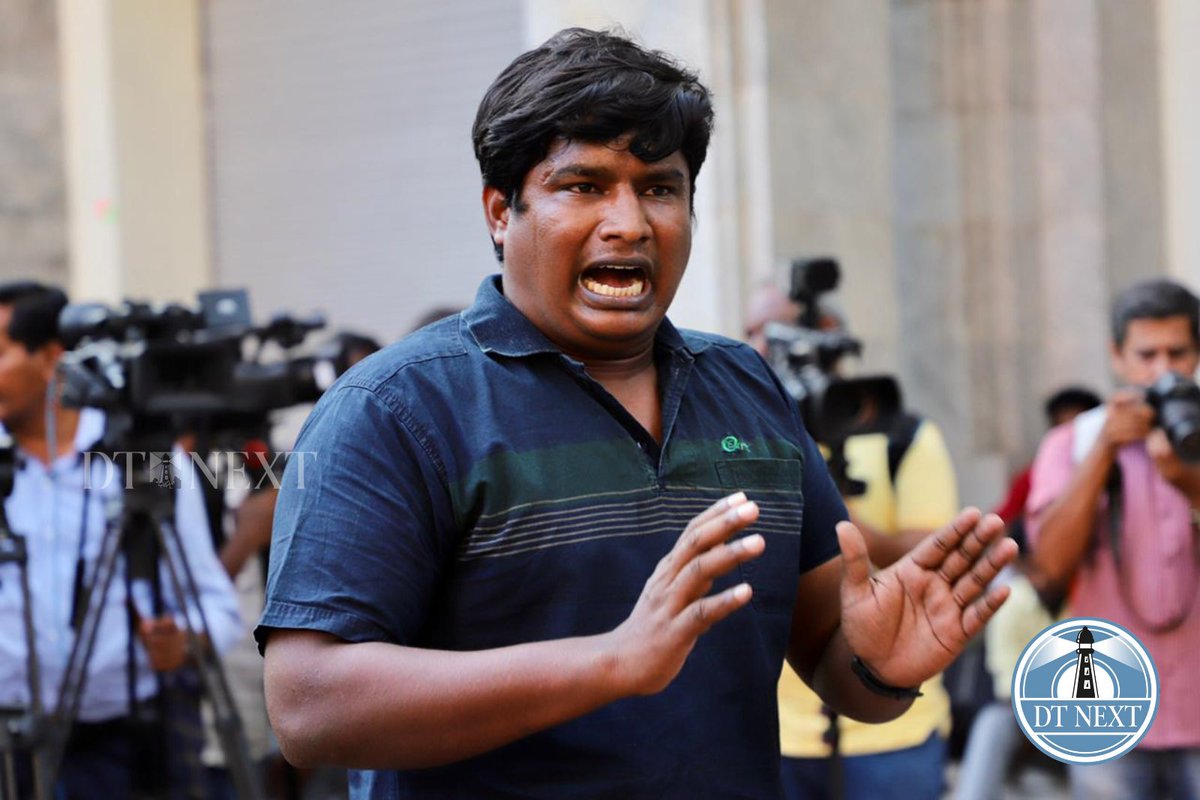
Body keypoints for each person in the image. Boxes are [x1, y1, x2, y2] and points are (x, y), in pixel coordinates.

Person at [259, 28, 1016, 799]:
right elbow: (309, 706)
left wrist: (880, 667)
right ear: (500, 211)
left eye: (659, 188)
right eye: (584, 185)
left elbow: (830, 657)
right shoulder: (394, 409)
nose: (629, 222)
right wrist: (611, 662)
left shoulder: (747, 386)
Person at [0, 281, 243, 797]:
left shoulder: (139, 458)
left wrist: (183, 643)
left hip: (130, 747)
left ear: (50, 357)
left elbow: (217, 608)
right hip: (10, 749)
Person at [746, 283, 962, 799]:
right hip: (773, 731)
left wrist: (837, 520)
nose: (757, 347)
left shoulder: (902, 435)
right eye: (750, 332)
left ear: (828, 337)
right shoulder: (745, 437)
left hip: (889, 733)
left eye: (772, 332)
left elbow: (937, 551)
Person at [1027, 278, 1200, 799]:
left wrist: (1190, 484)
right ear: (1117, 357)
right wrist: (1104, 450)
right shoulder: (1073, 442)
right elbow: (1049, 567)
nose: (1163, 370)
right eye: (1147, 355)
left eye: (1177, 353)